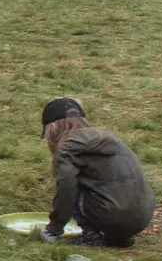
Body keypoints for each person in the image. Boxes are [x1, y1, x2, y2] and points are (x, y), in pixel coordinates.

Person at [40, 97, 155, 247]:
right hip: (143, 216)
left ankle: (91, 237)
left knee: (72, 186)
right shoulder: (108, 137)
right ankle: (119, 237)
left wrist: (53, 229)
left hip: (115, 216)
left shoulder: (67, 147)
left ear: (52, 128)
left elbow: (66, 190)